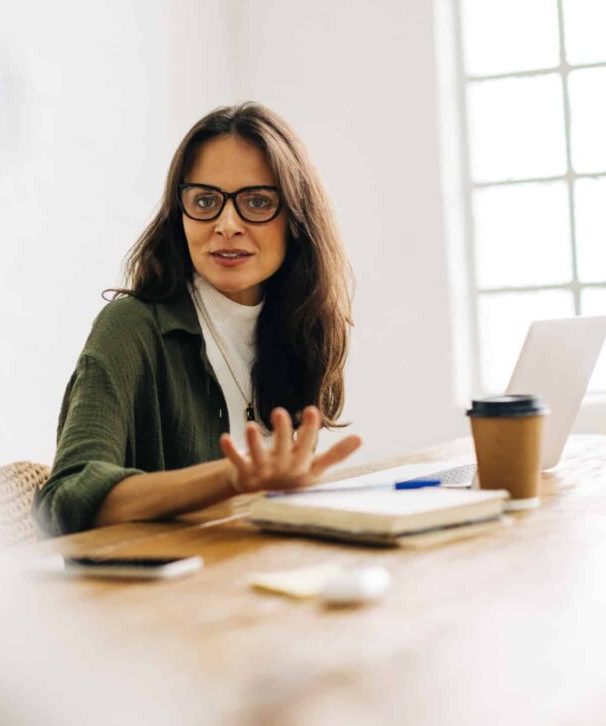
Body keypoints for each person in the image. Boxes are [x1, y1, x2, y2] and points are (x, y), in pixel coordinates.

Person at [33, 103, 362, 535]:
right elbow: (67, 499)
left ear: (296, 219)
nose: (227, 225)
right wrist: (231, 477)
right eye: (205, 200)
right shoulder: (131, 327)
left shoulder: (299, 330)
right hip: (162, 597)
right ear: (179, 213)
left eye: (257, 201)